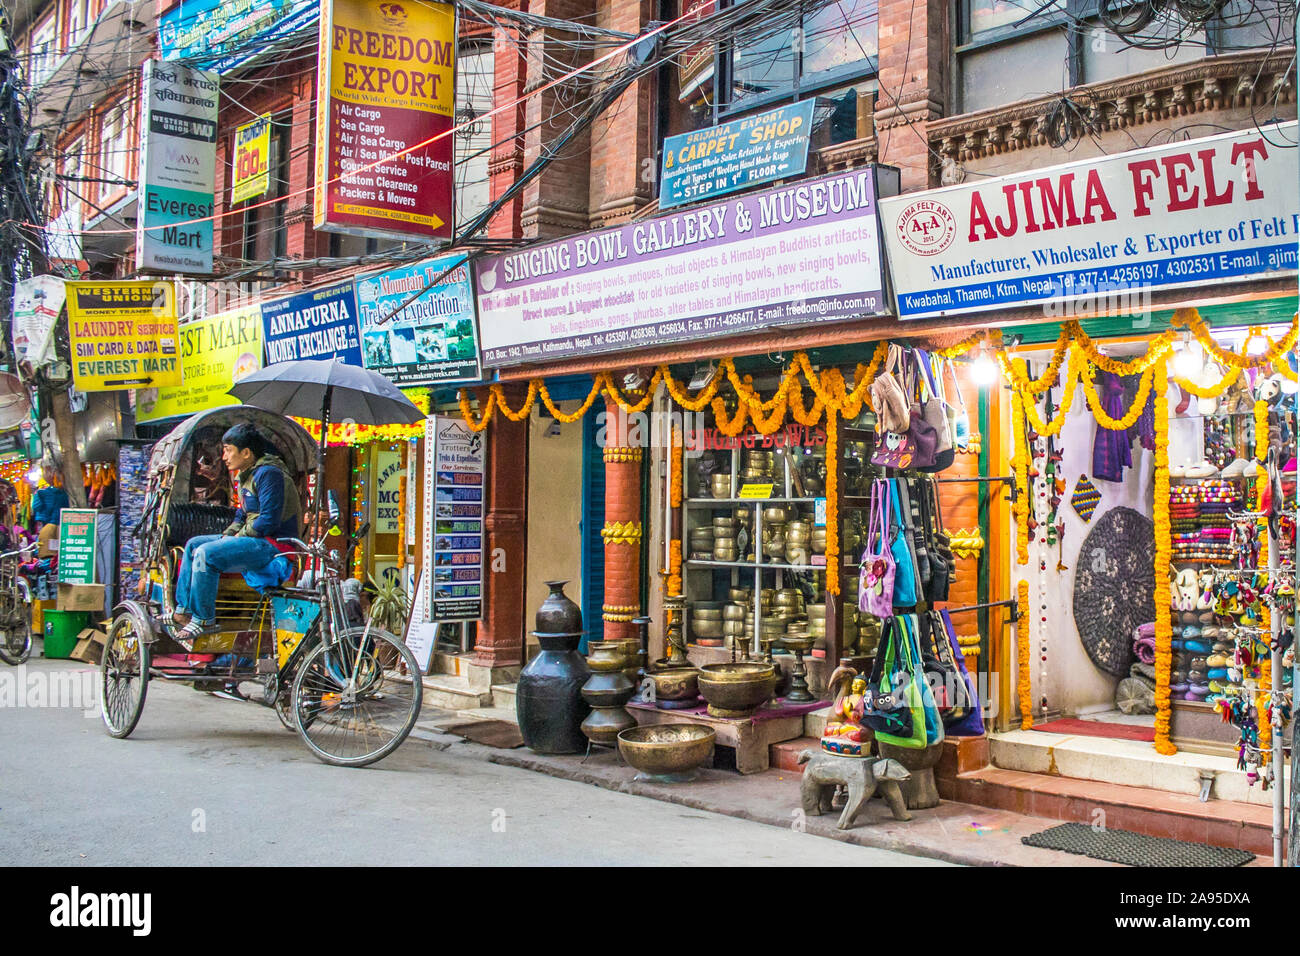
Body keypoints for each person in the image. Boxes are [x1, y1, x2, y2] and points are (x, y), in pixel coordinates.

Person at [173, 424, 302, 640]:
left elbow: (268, 521)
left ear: (246, 453)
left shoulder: (269, 474)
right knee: (194, 544)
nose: (223, 457)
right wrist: (228, 534)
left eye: (228, 450)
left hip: (273, 546)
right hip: (254, 539)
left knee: (206, 553)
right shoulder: (247, 476)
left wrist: (237, 536)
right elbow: (241, 516)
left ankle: (204, 620)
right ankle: (184, 611)